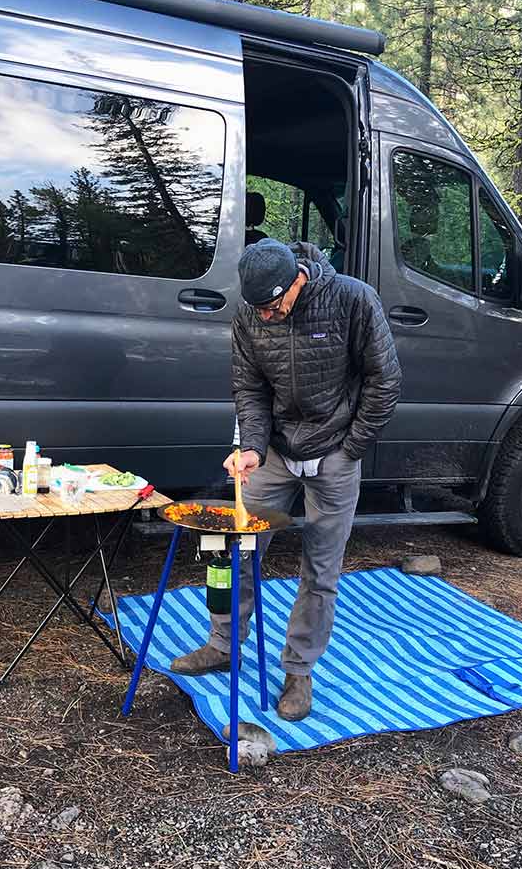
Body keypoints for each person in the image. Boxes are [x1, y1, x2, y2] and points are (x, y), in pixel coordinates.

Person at [171, 237, 402, 721]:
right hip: (276, 450)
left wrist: (352, 448)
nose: (268, 317)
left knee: (321, 569)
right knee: (235, 547)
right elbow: (249, 387)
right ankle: (223, 643)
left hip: (336, 450)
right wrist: (252, 447)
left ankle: (298, 669)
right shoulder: (252, 314)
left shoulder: (352, 299)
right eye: (260, 310)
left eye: (275, 307)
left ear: (298, 278)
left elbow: (385, 379)